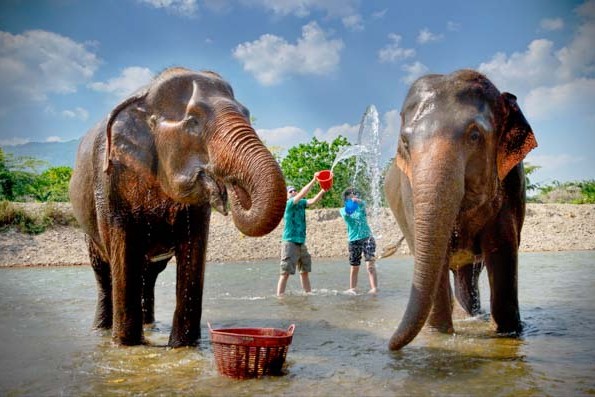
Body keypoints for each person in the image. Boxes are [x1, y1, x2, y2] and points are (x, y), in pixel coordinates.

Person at [277, 176, 326, 296]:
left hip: (301, 242)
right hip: (290, 242)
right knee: (285, 272)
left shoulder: (302, 203)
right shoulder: (289, 204)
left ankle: (308, 294)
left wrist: (323, 189)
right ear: (287, 196)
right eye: (290, 191)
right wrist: (314, 180)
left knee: (304, 271)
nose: (294, 192)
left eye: (295, 190)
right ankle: (280, 296)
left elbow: (313, 201)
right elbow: (303, 193)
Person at [339, 187, 378, 294]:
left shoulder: (361, 206)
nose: (353, 197)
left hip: (367, 238)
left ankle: (374, 288)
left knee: (370, 265)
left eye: (355, 195)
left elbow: (364, 203)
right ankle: (352, 289)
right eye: (350, 195)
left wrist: (358, 201)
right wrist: (350, 206)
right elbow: (347, 216)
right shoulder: (342, 210)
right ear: (346, 198)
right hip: (353, 240)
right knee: (354, 267)